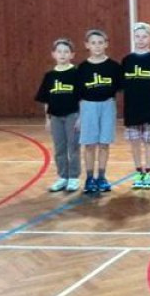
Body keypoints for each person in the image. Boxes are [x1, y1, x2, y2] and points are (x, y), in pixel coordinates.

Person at [121, 22, 150, 190]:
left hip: (149, 107)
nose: (141, 40)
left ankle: (149, 172)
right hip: (132, 107)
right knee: (134, 141)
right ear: (134, 38)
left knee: (148, 141)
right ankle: (138, 171)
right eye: (138, 36)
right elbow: (124, 84)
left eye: (144, 36)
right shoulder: (127, 60)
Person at [77, 29, 122, 193]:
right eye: (93, 43)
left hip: (107, 106)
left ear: (106, 44)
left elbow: (119, 88)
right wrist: (79, 116)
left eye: (100, 42)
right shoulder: (82, 68)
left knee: (104, 144)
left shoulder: (114, 66)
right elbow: (78, 93)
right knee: (89, 144)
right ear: (87, 45)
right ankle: (89, 178)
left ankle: (102, 177)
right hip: (88, 107)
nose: (97, 46)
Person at [35, 38, 81, 192]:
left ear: (72, 55)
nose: (62, 54)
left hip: (72, 115)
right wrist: (47, 119)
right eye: (59, 51)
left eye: (66, 51)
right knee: (59, 148)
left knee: (73, 147)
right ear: (53, 54)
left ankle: (73, 177)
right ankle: (62, 177)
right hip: (55, 117)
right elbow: (46, 100)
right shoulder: (49, 76)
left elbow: (82, 98)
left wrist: (80, 118)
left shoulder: (76, 73)